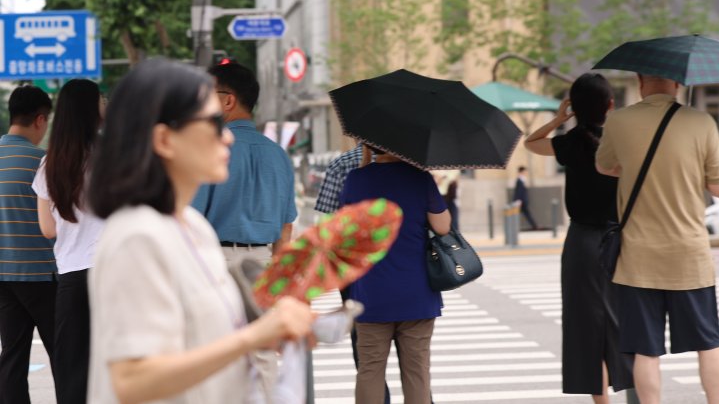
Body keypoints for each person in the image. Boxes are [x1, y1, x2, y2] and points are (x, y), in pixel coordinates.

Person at [85, 58, 315, 404]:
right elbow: (131, 381)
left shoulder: (194, 228)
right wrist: (252, 337)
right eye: (211, 123)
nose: (225, 136)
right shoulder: (137, 238)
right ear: (164, 139)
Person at [595, 74, 719, 404]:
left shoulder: (619, 121)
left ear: (641, 82)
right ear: (677, 83)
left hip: (639, 257)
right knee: (708, 342)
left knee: (645, 350)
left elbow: (604, 166)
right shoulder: (702, 122)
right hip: (690, 255)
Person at [525, 73, 633, 403]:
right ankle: (639, 392)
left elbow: (531, 143)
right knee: (628, 323)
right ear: (610, 105)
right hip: (623, 240)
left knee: (586, 329)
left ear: (574, 106)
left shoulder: (570, 142)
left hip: (582, 242)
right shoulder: (625, 140)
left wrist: (559, 119)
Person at [341, 145, 451, 404]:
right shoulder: (420, 178)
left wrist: (365, 168)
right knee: (417, 372)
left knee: (370, 370)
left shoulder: (356, 180)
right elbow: (443, 227)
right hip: (416, 292)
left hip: (371, 293)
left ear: (368, 145)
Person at [33, 79, 105, 404]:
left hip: (72, 278)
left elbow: (47, 229)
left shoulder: (51, 164)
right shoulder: (113, 157)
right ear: (94, 110)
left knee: (72, 370)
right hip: (114, 273)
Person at [192, 61, 297, 261]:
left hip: (217, 261)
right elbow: (286, 228)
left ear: (228, 102)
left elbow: (191, 221)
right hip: (263, 260)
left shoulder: (211, 149)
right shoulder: (279, 155)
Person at [314, 144, 394, 404]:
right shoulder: (410, 163)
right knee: (413, 354)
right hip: (404, 266)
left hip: (355, 268)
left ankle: (379, 398)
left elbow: (326, 225)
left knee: (366, 349)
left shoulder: (341, 165)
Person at [0, 86, 55, 404]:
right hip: (43, 275)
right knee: (63, 355)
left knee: (12, 357)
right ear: (39, 119)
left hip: (4, 277)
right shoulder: (43, 162)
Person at [513, 166, 539, 230]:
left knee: (524, 214)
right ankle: (534, 226)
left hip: (523, 201)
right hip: (521, 201)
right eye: (524, 171)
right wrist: (518, 200)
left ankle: (534, 226)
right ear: (521, 171)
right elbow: (519, 191)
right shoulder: (519, 180)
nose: (525, 172)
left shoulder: (523, 179)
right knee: (516, 214)